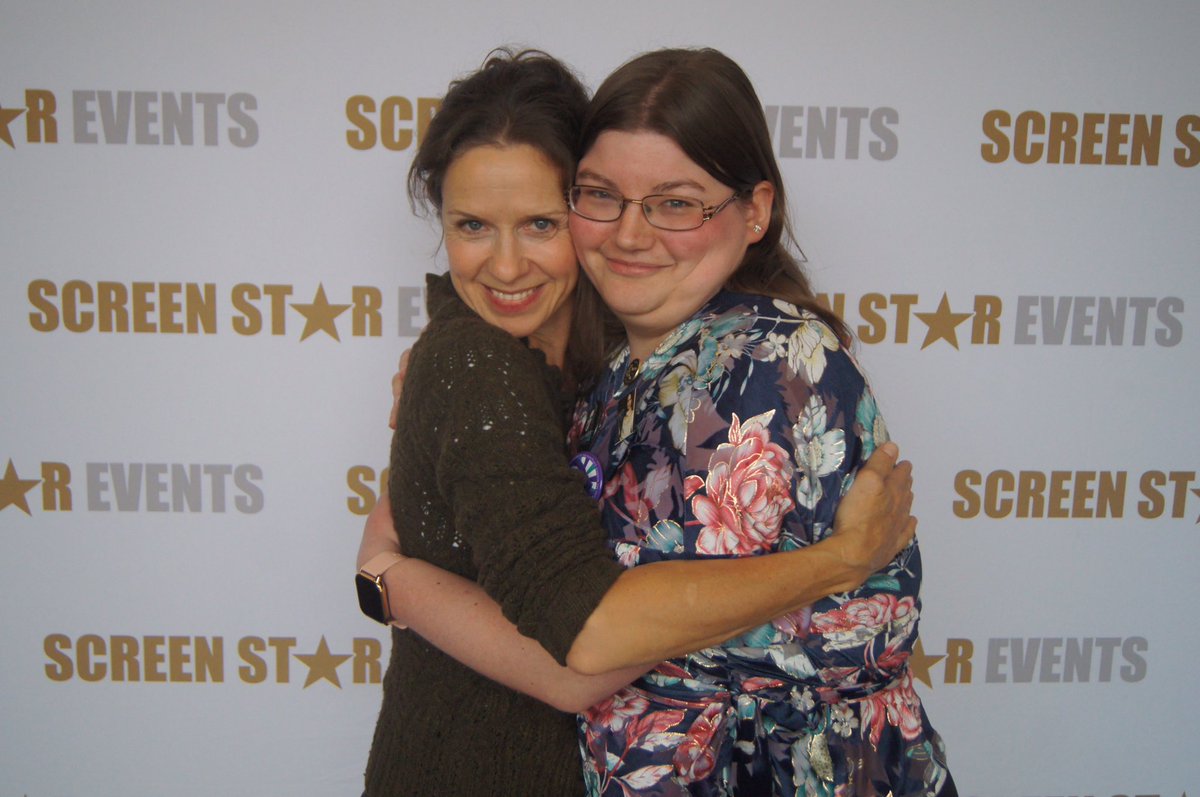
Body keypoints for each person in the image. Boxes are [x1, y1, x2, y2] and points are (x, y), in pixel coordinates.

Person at [358, 48, 921, 797]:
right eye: (605, 198)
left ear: (753, 209)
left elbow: (587, 646)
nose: (629, 234)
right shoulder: (583, 368)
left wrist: (394, 582)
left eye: (675, 203)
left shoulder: (755, 364)